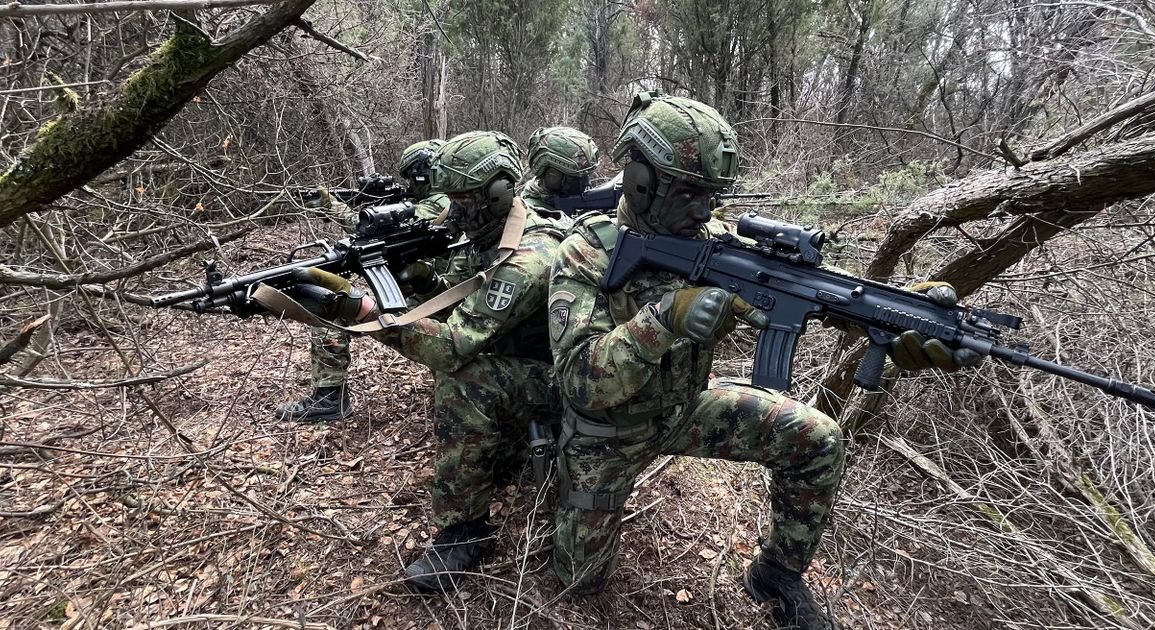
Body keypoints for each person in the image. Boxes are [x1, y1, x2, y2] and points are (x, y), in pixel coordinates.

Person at [547, 92, 979, 629]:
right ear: (640, 178)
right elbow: (579, 381)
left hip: (684, 409)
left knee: (817, 440)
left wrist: (898, 317)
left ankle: (776, 574)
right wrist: (664, 319)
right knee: (577, 582)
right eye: (689, 193)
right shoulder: (587, 251)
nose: (704, 211)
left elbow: (815, 298)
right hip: (604, 432)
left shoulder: (717, 243)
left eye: (712, 196)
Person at [285, 131, 567, 592]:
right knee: (466, 371)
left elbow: (455, 344)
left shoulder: (531, 253)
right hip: (522, 365)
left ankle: (465, 531)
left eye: (461, 200)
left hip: (563, 382)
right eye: (448, 199)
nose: (452, 212)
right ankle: (504, 446)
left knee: (466, 379)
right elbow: (453, 304)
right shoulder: (482, 237)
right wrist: (417, 280)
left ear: (498, 192)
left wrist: (359, 311)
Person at [276, 140, 452, 422]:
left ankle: (329, 398)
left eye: (410, 176)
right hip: (430, 291)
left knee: (333, 307)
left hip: (438, 298)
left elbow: (373, 233)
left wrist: (331, 205)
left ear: (424, 173)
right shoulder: (439, 202)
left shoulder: (440, 205)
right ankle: (329, 396)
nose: (407, 183)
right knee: (334, 302)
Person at [519, 126, 600, 216]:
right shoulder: (529, 215)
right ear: (552, 176)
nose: (586, 183)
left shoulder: (569, 201)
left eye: (587, 175)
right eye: (576, 178)